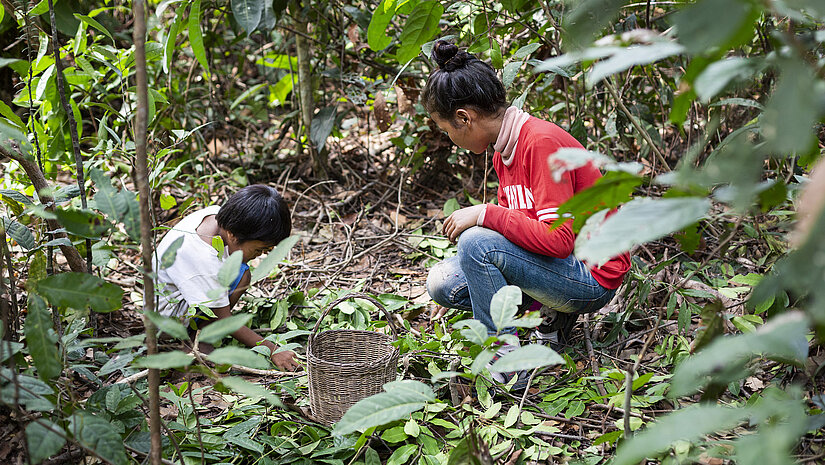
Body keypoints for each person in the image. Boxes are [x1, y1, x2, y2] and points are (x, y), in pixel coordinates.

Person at [422, 41, 631, 387]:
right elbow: (515, 241)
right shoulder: (503, 150)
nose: (450, 139)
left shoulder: (539, 142)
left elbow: (559, 241)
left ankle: (508, 367)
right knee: (442, 282)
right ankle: (548, 320)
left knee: (476, 241)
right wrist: (476, 285)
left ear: (464, 118)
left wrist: (486, 213)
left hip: (591, 277)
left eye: (447, 131)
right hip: (558, 268)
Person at [154, 184, 299, 371]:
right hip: (166, 320)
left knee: (242, 273)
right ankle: (196, 340)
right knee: (240, 277)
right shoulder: (201, 258)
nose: (261, 255)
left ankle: (202, 329)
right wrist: (272, 350)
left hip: (181, 296)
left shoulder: (216, 217)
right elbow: (225, 320)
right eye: (259, 249)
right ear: (232, 235)